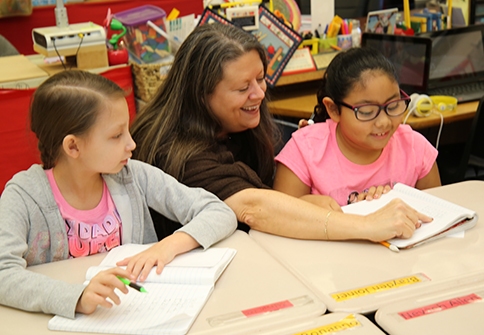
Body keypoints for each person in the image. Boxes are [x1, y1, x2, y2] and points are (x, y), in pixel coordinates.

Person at [131, 24, 432, 247]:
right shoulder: (177, 151)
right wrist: (365, 224)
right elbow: (253, 208)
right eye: (242, 88)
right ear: (200, 95)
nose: (259, 94)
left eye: (261, 79)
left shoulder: (239, 124)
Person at [0, 70, 236, 318]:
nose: (131, 144)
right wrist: (76, 297)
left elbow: (218, 211)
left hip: (133, 314)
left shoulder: (133, 175)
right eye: (116, 135)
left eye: (127, 131)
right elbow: (3, 273)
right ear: (73, 146)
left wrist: (166, 247)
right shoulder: (23, 196)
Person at [274, 47, 441, 206]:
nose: (384, 122)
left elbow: (439, 217)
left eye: (393, 106)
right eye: (367, 112)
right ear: (333, 109)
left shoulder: (415, 149)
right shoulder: (304, 151)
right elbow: (278, 221)